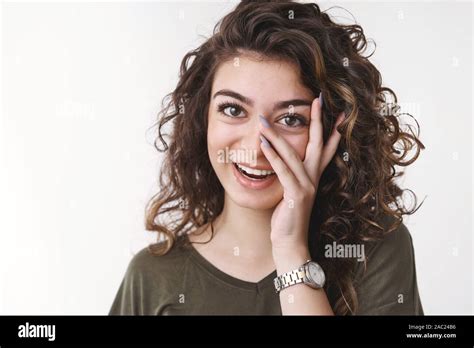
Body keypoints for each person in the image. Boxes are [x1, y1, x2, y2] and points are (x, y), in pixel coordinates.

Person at [109, 0, 425, 315]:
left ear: (331, 131)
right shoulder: (152, 277)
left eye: (290, 119)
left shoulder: (374, 251)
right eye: (233, 110)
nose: (256, 147)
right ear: (202, 119)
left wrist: (291, 251)